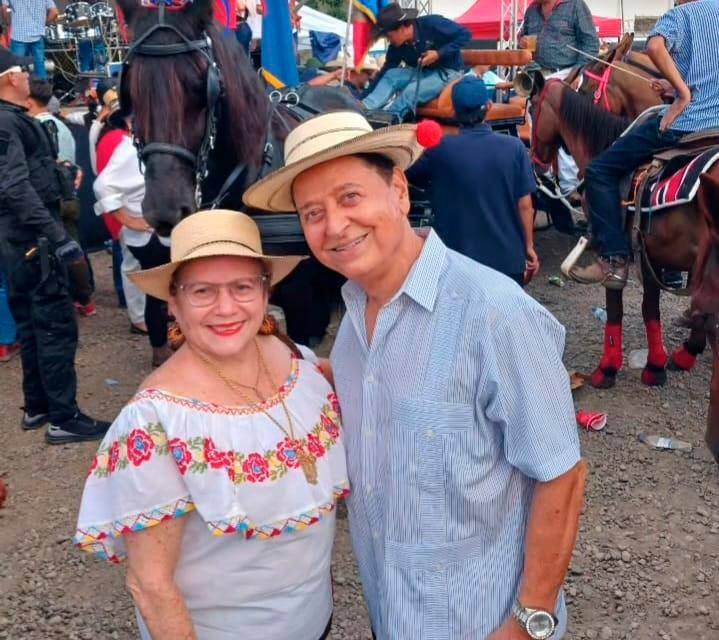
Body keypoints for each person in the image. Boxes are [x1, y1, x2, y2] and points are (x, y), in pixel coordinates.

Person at [244, 111, 586, 639]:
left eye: (350, 197)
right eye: (313, 212)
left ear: (399, 191)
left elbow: (561, 472)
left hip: (482, 621)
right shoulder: (357, 313)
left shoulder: (495, 313)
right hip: (394, 613)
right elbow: (372, 390)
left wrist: (527, 623)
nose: (334, 225)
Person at [75, 210, 348, 640]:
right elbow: (151, 585)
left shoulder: (288, 356)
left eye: (242, 287)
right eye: (202, 291)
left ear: (265, 290)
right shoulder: (154, 422)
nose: (226, 308)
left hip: (313, 619)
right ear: (174, 302)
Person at [0, 47, 109, 443]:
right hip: (35, 242)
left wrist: (58, 172)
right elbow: (13, 187)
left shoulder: (11, 122)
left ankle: (39, 407)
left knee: (31, 325)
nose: (31, 77)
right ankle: (65, 416)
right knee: (55, 327)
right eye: (26, 72)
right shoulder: (8, 123)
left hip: (18, 241)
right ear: (13, 78)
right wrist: (59, 237)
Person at [573, 0, 719, 289]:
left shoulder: (680, 14)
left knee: (599, 171)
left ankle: (614, 261)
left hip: (689, 124)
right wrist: (675, 85)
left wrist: (682, 94)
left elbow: (653, 47)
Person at [407, 77, 539, 286]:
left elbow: (408, 173)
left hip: (456, 262)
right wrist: (528, 247)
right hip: (506, 262)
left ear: (452, 112)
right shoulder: (514, 148)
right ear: (488, 106)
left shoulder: (440, 150)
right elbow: (525, 206)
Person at [93, 108, 171, 366]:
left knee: (174, 291)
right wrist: (129, 220)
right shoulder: (130, 150)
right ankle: (159, 350)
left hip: (169, 234)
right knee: (158, 293)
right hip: (151, 238)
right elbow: (102, 186)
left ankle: (171, 344)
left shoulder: (168, 147)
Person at [26, 77, 98, 317]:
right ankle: (85, 296)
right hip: (69, 194)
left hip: (54, 196)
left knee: (62, 248)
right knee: (74, 245)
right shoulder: (61, 125)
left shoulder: (37, 128)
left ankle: (77, 296)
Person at [520, 0, 599, 199]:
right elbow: (527, 43)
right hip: (537, 75)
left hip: (566, 74)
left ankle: (571, 187)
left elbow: (591, 45)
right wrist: (522, 42)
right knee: (537, 129)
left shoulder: (575, 6)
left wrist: (576, 76)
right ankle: (546, 178)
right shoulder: (532, 11)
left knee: (565, 131)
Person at [362, 3, 470, 120]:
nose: (389, 41)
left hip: (449, 72)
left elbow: (465, 34)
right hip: (423, 73)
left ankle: (390, 122)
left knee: (410, 92)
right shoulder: (396, 46)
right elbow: (385, 71)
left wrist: (438, 54)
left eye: (389, 36)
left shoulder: (432, 23)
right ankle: (364, 108)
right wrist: (362, 97)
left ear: (402, 28)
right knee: (391, 75)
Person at [0, 0, 57, 80]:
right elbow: (54, 12)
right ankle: (42, 89)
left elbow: (3, 8)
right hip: (37, 35)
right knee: (39, 66)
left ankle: (18, 90)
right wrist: (44, 24)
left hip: (19, 36)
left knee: (16, 69)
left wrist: (8, 23)